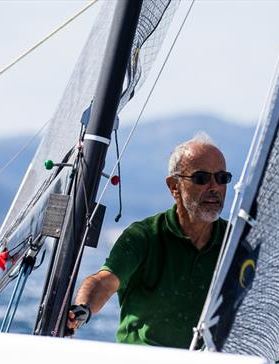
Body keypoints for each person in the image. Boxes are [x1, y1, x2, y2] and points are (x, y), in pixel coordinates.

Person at [67, 132, 230, 348]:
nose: (214, 187)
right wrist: (82, 309)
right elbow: (105, 281)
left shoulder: (235, 241)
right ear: (174, 186)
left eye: (221, 178)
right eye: (201, 178)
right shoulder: (142, 236)